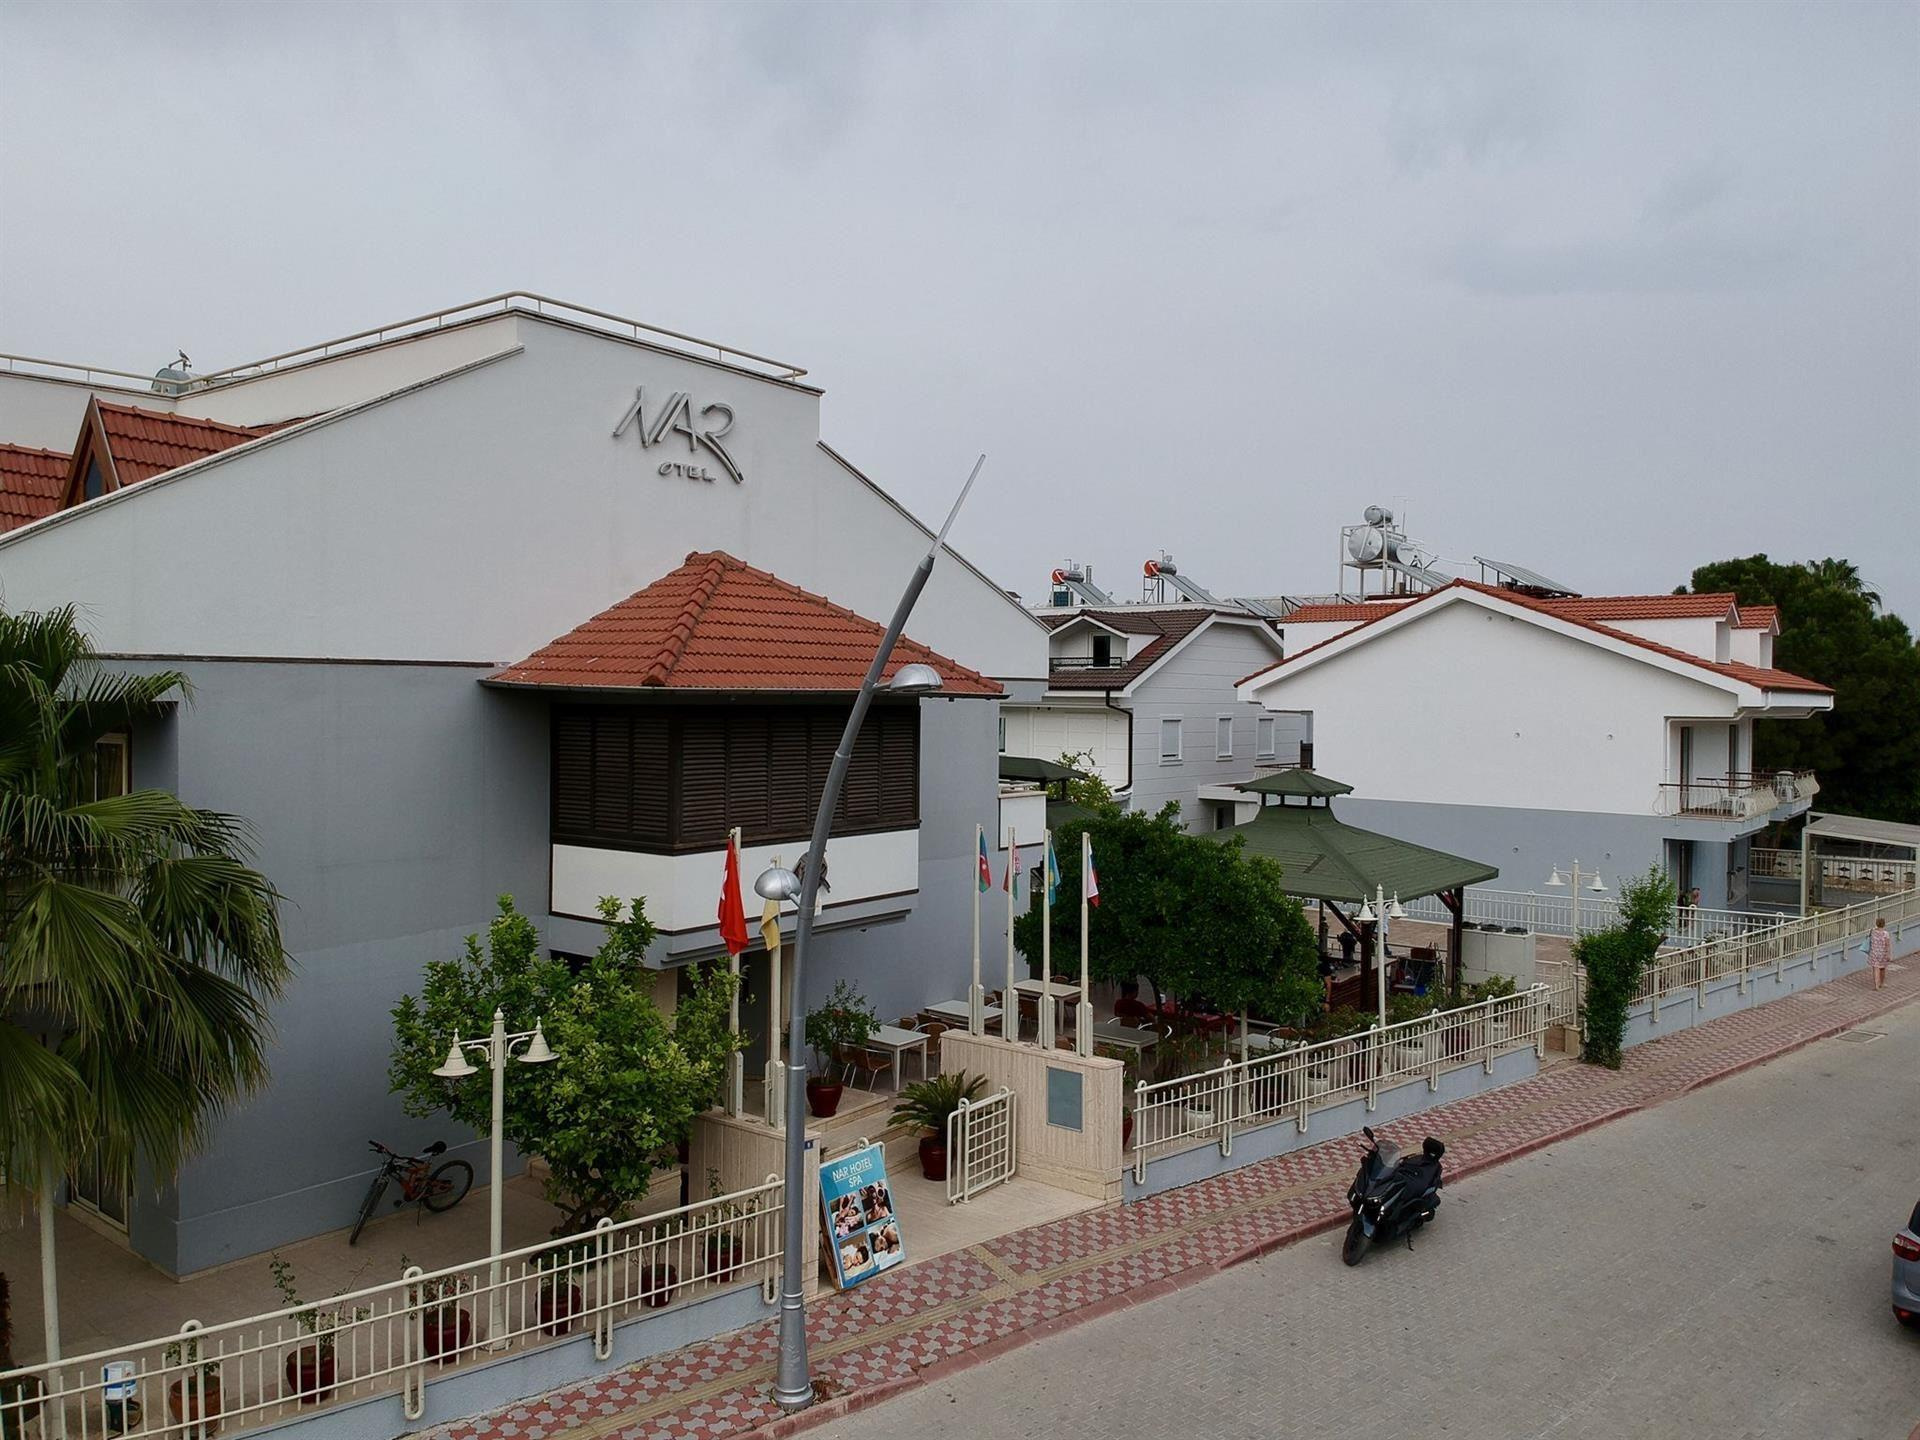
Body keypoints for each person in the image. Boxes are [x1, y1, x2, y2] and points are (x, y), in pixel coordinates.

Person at [1869, 916, 1892, 990]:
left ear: (1876, 923)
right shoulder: (1886, 934)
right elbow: (1887, 945)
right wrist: (1888, 954)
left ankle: (1876, 985)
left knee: (1876, 968)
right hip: (1883, 953)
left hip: (1874, 953)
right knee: (1882, 968)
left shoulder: (1873, 931)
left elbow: (1869, 936)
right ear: (1884, 924)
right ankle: (1882, 983)